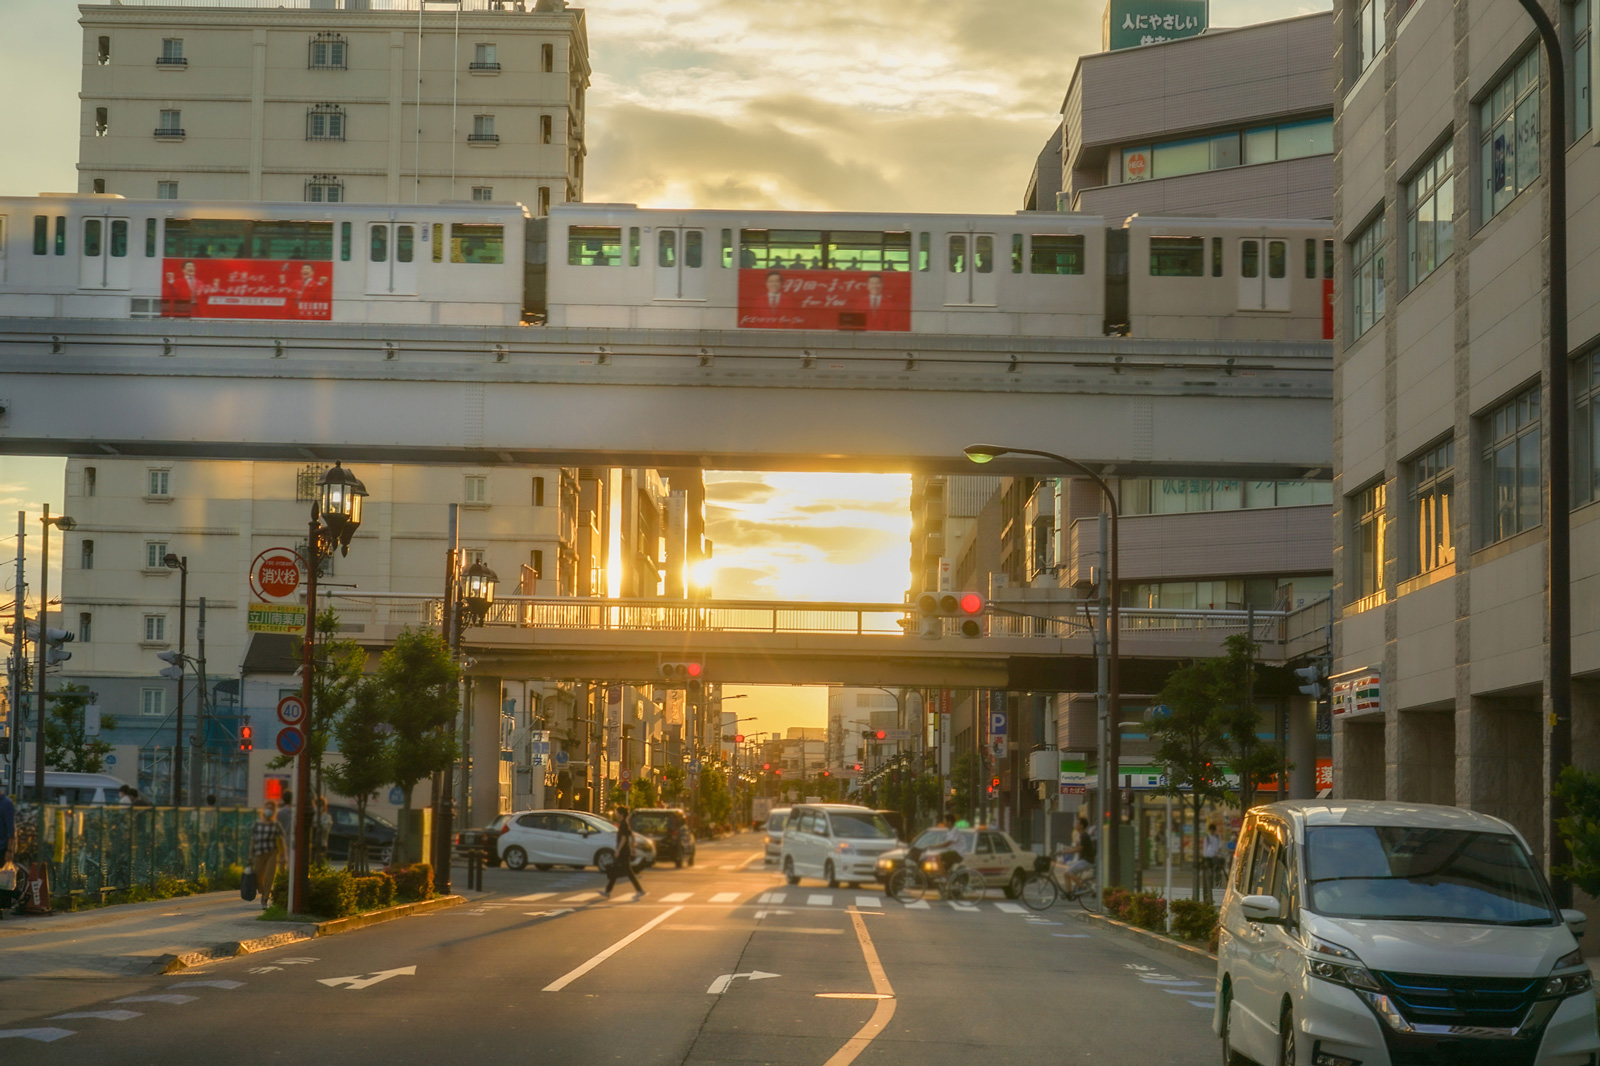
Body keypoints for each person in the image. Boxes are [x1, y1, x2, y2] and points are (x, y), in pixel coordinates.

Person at [601, 805, 644, 900]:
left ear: (621, 814)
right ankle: (607, 891)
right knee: (617, 871)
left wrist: (618, 850)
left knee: (626, 872)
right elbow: (630, 835)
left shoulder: (624, 824)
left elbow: (624, 838)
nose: (616, 814)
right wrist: (632, 846)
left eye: (617, 813)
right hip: (625, 851)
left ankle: (640, 891)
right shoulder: (625, 823)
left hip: (623, 852)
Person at [250, 802, 287, 910]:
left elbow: (281, 840)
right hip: (259, 853)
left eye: (271, 808)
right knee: (257, 876)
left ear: (274, 811)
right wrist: (250, 855)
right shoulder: (257, 824)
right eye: (267, 808)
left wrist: (283, 855)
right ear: (263, 809)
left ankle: (265, 897)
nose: (269, 810)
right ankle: (263, 890)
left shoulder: (276, 825)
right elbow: (253, 840)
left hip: (272, 852)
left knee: (269, 876)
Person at [1056, 816, 1097, 895]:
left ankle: (1082, 887)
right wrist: (1066, 850)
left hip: (1086, 861)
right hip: (1083, 860)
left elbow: (1079, 849)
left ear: (1081, 826)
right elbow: (1076, 847)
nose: (1075, 824)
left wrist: (1066, 852)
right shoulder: (1082, 835)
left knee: (1070, 872)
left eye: (1077, 823)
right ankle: (1069, 893)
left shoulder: (1084, 836)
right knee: (1066, 873)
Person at [0, 780, 16, 918]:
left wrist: (9, 851)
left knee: (1, 880)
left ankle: (2, 908)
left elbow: (11, 830)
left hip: (2, 846)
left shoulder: (6, 804)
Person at [1201, 822, 1225, 901]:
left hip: (1215, 856)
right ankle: (1210, 884)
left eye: (1213, 830)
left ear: (1214, 830)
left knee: (1217, 871)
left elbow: (1220, 846)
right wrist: (1204, 857)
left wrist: (1219, 853)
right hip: (1208, 857)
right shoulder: (1207, 837)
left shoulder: (1217, 837)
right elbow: (1205, 847)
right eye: (1211, 830)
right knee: (1209, 872)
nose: (1212, 832)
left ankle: (1217, 884)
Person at [311, 796, 332, 868]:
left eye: (321, 805)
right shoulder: (312, 816)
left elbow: (326, 828)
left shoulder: (327, 817)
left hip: (322, 843)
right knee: (312, 863)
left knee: (321, 863)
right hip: (312, 844)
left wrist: (318, 824)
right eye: (317, 805)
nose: (319, 808)